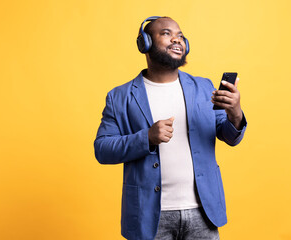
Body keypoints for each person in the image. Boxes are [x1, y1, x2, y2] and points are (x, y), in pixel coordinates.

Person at [94, 16, 247, 240]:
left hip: (203, 212)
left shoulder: (204, 87)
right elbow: (102, 149)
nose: (177, 39)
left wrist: (235, 112)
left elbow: (230, 136)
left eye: (181, 36)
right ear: (144, 43)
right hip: (149, 216)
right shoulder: (120, 97)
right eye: (166, 33)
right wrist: (146, 138)